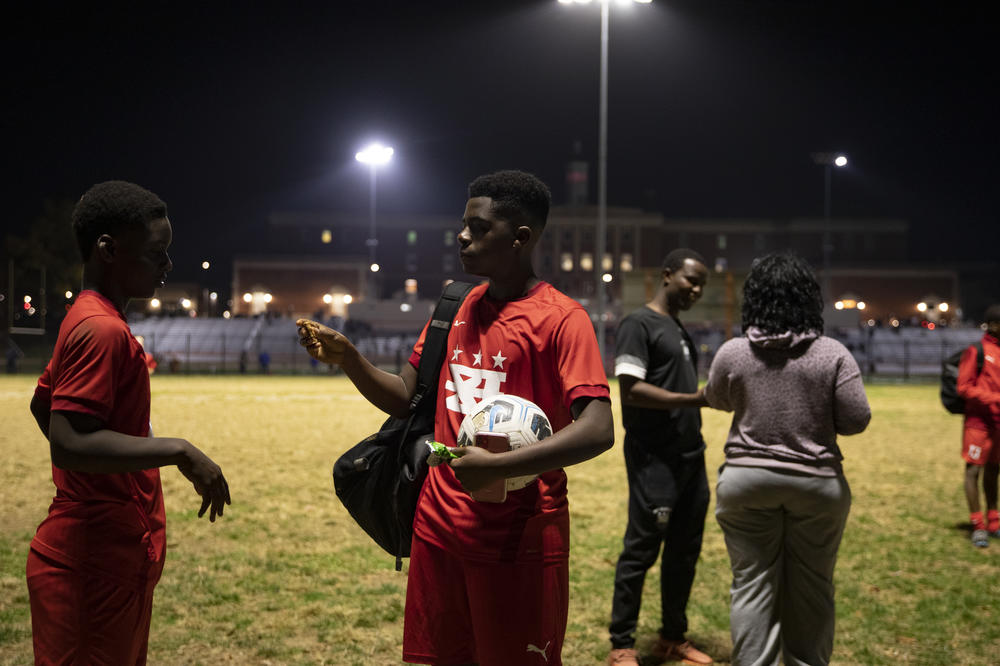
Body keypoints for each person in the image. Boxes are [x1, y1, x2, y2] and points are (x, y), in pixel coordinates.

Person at [297, 170, 613, 666]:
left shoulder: (562, 318)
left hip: (519, 538)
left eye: (479, 227)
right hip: (437, 529)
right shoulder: (456, 305)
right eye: (463, 224)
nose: (463, 236)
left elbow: (598, 428)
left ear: (521, 238)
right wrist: (351, 360)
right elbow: (405, 396)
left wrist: (502, 466)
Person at [27, 180, 231, 665]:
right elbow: (67, 440)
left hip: (107, 559)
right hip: (90, 569)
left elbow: (43, 404)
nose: (167, 265)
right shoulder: (100, 328)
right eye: (156, 253)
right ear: (109, 250)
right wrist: (179, 450)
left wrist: (99, 480)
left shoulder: (92, 317)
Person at [703, 253, 870, 666]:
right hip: (816, 483)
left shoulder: (734, 352)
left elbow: (717, 398)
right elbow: (856, 419)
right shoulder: (833, 354)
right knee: (812, 586)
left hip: (746, 480)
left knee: (752, 585)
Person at [606, 248, 714, 666]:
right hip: (656, 458)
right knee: (641, 549)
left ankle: (673, 636)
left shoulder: (678, 328)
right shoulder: (639, 323)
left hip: (692, 457)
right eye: (692, 280)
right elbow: (630, 390)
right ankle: (622, 643)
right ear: (668, 275)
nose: (698, 290)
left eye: (702, 283)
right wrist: (696, 399)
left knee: (685, 551)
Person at [959, 304, 1000, 547]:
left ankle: (994, 520)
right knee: (973, 471)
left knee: (994, 470)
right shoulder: (976, 351)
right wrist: (995, 399)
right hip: (978, 424)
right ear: (994, 325)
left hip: (998, 424)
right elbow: (963, 387)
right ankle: (977, 525)